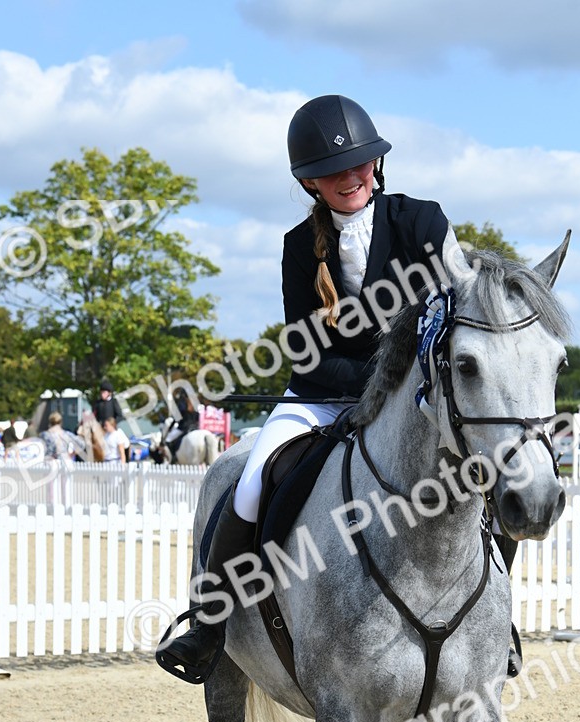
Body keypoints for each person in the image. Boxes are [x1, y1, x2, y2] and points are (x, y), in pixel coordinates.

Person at [159, 94, 518, 682]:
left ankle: (493, 626)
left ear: (376, 164)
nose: (350, 177)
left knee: (489, 472)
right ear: (310, 182)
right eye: (333, 171)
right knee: (252, 481)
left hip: (418, 397)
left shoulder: (422, 220)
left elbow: (462, 310)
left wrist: (407, 387)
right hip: (323, 396)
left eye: (360, 164)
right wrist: (376, 385)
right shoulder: (299, 248)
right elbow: (307, 353)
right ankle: (210, 625)